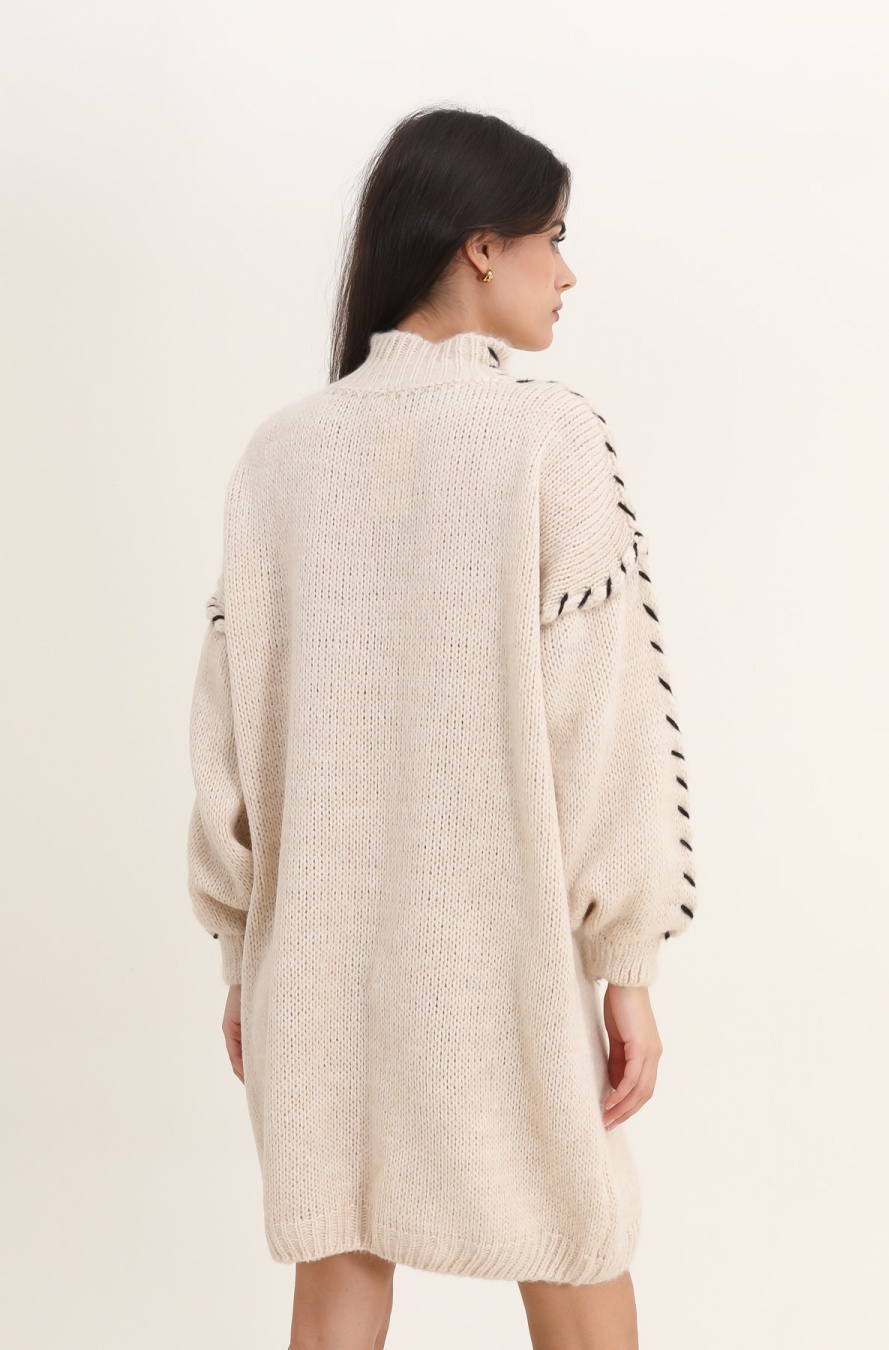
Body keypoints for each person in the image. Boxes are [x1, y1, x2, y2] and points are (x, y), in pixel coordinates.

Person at [186, 104, 698, 1350]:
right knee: (573, 1246)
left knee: (337, 1269)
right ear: (481, 246)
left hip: (314, 966)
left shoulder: (280, 456)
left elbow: (227, 743)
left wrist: (244, 961)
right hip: (501, 962)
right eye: (552, 238)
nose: (566, 274)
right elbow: (603, 727)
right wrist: (626, 969)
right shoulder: (547, 436)